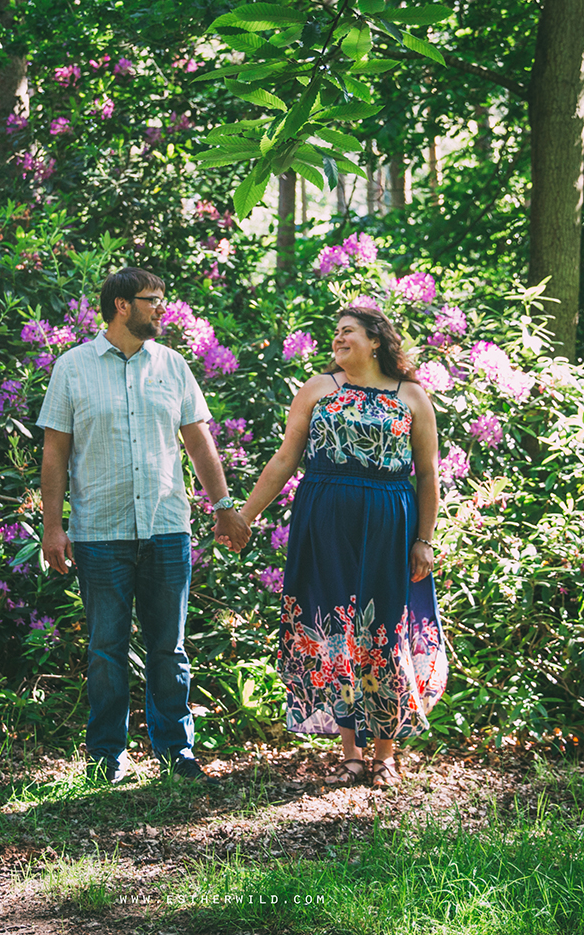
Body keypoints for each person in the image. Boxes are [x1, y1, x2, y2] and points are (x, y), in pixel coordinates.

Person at [38, 267, 250, 784]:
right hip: (98, 532)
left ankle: (176, 751)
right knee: (106, 649)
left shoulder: (173, 366)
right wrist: (52, 527)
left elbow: (199, 443)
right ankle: (106, 755)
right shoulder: (72, 368)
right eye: (151, 300)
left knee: (168, 648)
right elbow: (55, 453)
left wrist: (223, 504)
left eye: (161, 299)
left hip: (165, 529)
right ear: (121, 306)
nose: (161, 309)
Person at [225, 306, 448, 789]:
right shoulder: (318, 389)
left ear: (375, 340)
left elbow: (428, 475)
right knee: (334, 630)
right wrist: (245, 515)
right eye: (336, 334)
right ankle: (350, 752)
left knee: (384, 628)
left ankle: (385, 755)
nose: (338, 339)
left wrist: (424, 540)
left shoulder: (412, 397)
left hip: (390, 521)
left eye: (348, 332)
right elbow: (286, 458)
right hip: (324, 520)